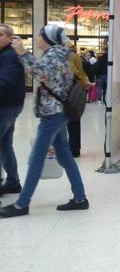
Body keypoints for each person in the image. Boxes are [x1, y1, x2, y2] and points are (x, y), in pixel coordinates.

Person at [0, 25, 88, 218]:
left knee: (36, 158)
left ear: (48, 39)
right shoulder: (59, 54)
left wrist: (23, 52)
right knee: (65, 157)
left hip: (53, 115)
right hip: (58, 112)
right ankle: (80, 198)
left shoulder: (54, 56)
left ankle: (22, 204)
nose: (37, 39)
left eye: (40, 36)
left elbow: (41, 73)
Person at [0, 24, 25, 200]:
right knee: (5, 145)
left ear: (10, 38)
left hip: (7, 106)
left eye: (0, 34)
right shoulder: (5, 54)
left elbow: (6, 84)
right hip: (10, 105)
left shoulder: (10, 57)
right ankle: (13, 182)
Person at [67, 43, 90, 158]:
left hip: (69, 92)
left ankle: (72, 148)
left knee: (69, 123)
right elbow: (81, 73)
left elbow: (73, 72)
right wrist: (85, 83)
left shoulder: (67, 56)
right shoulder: (76, 56)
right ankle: (75, 149)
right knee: (75, 121)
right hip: (78, 90)